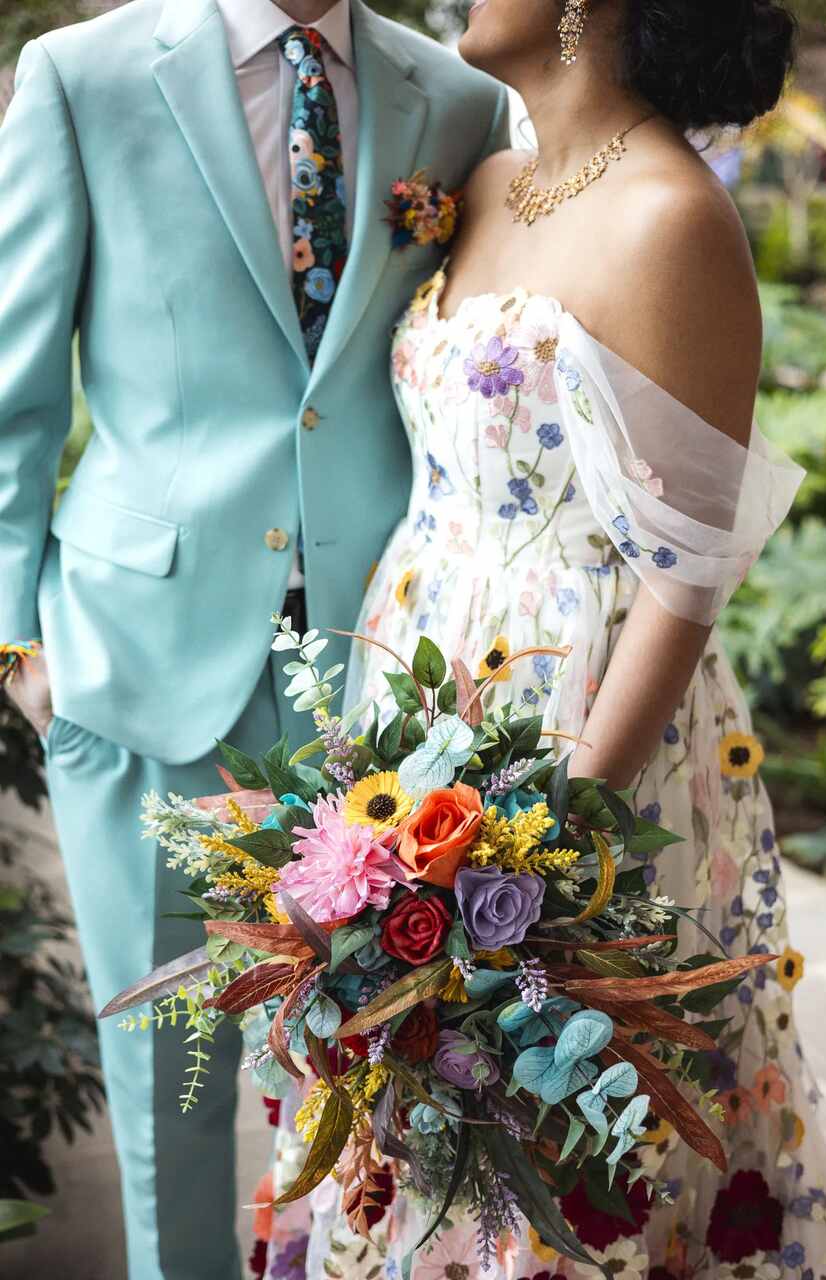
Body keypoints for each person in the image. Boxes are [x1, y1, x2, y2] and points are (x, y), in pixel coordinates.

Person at [263, 1, 826, 1277]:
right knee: (405, 1102)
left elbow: (687, 579)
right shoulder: (481, 182)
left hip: (580, 718)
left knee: (554, 1112)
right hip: (411, 695)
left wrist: (556, 839)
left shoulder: (673, 217)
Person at [0, 0, 508, 1275]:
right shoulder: (83, 77)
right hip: (134, 660)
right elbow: (12, 395)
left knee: (379, 1077)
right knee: (169, 1077)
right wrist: (11, 648)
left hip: (379, 671)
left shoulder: (452, 97)